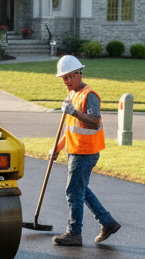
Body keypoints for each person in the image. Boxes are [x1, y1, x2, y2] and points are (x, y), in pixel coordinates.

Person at [51, 54, 121, 248]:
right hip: (76, 150)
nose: (66, 81)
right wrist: (57, 148)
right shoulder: (72, 95)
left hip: (85, 152)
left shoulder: (89, 95)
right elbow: (71, 128)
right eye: (64, 78)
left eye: (70, 76)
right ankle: (108, 222)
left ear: (79, 73)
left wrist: (74, 112)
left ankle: (74, 233)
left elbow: (94, 121)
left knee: (73, 190)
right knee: (80, 189)